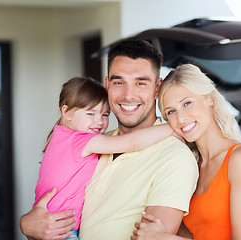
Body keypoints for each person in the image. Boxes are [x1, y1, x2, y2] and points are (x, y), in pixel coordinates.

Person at [20, 39, 199, 240]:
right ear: (107, 85)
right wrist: (29, 225)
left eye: (140, 83)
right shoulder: (97, 143)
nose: (128, 95)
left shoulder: (175, 157)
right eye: (119, 82)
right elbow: (50, 222)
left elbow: (154, 237)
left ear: (157, 88)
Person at [131, 64, 241, 240]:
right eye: (171, 111)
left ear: (210, 99)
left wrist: (163, 238)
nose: (180, 118)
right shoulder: (191, 166)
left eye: (187, 103)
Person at [33, 76, 177, 240]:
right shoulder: (79, 140)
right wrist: (174, 125)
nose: (99, 121)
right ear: (66, 112)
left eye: (105, 114)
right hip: (62, 232)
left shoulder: (60, 137)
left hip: (53, 227)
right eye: (90, 113)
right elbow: (131, 142)